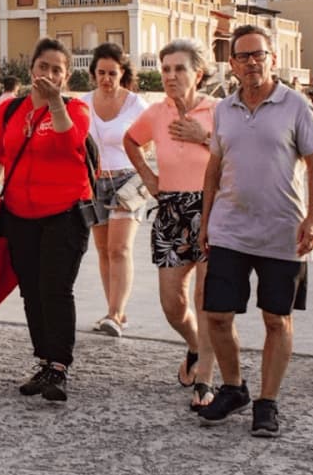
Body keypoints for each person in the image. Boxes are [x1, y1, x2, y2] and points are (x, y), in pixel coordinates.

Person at [198, 25, 313, 438]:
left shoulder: (296, 106)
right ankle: (234, 388)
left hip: (283, 233)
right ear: (232, 64)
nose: (252, 62)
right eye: (244, 56)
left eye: (259, 55)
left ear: (272, 59)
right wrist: (205, 220)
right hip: (229, 229)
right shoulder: (223, 109)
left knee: (276, 319)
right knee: (218, 315)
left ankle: (267, 403)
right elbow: (214, 167)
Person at [0, 37, 93, 402]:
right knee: (31, 289)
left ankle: (59, 367)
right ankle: (44, 360)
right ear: (31, 69)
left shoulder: (76, 109)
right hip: (19, 213)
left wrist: (56, 102)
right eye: (43, 66)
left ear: (66, 76)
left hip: (65, 213)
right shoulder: (10, 109)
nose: (48, 74)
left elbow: (68, 142)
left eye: (57, 70)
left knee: (55, 288)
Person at [123, 39, 219, 411]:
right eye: (165, 69)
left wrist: (203, 137)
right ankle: (195, 346)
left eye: (179, 69)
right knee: (172, 303)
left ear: (198, 73)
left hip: (212, 208)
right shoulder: (156, 113)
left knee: (206, 297)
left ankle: (206, 378)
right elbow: (131, 141)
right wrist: (148, 177)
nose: (171, 76)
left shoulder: (219, 111)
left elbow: (237, 153)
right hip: (170, 209)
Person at [78, 42, 147, 338]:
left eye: (112, 73)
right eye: (101, 73)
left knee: (120, 249)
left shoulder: (136, 105)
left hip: (127, 182)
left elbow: (149, 142)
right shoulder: (82, 104)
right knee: (104, 250)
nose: (106, 79)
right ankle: (115, 311)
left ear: (122, 74)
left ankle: (115, 315)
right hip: (94, 183)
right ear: (93, 73)